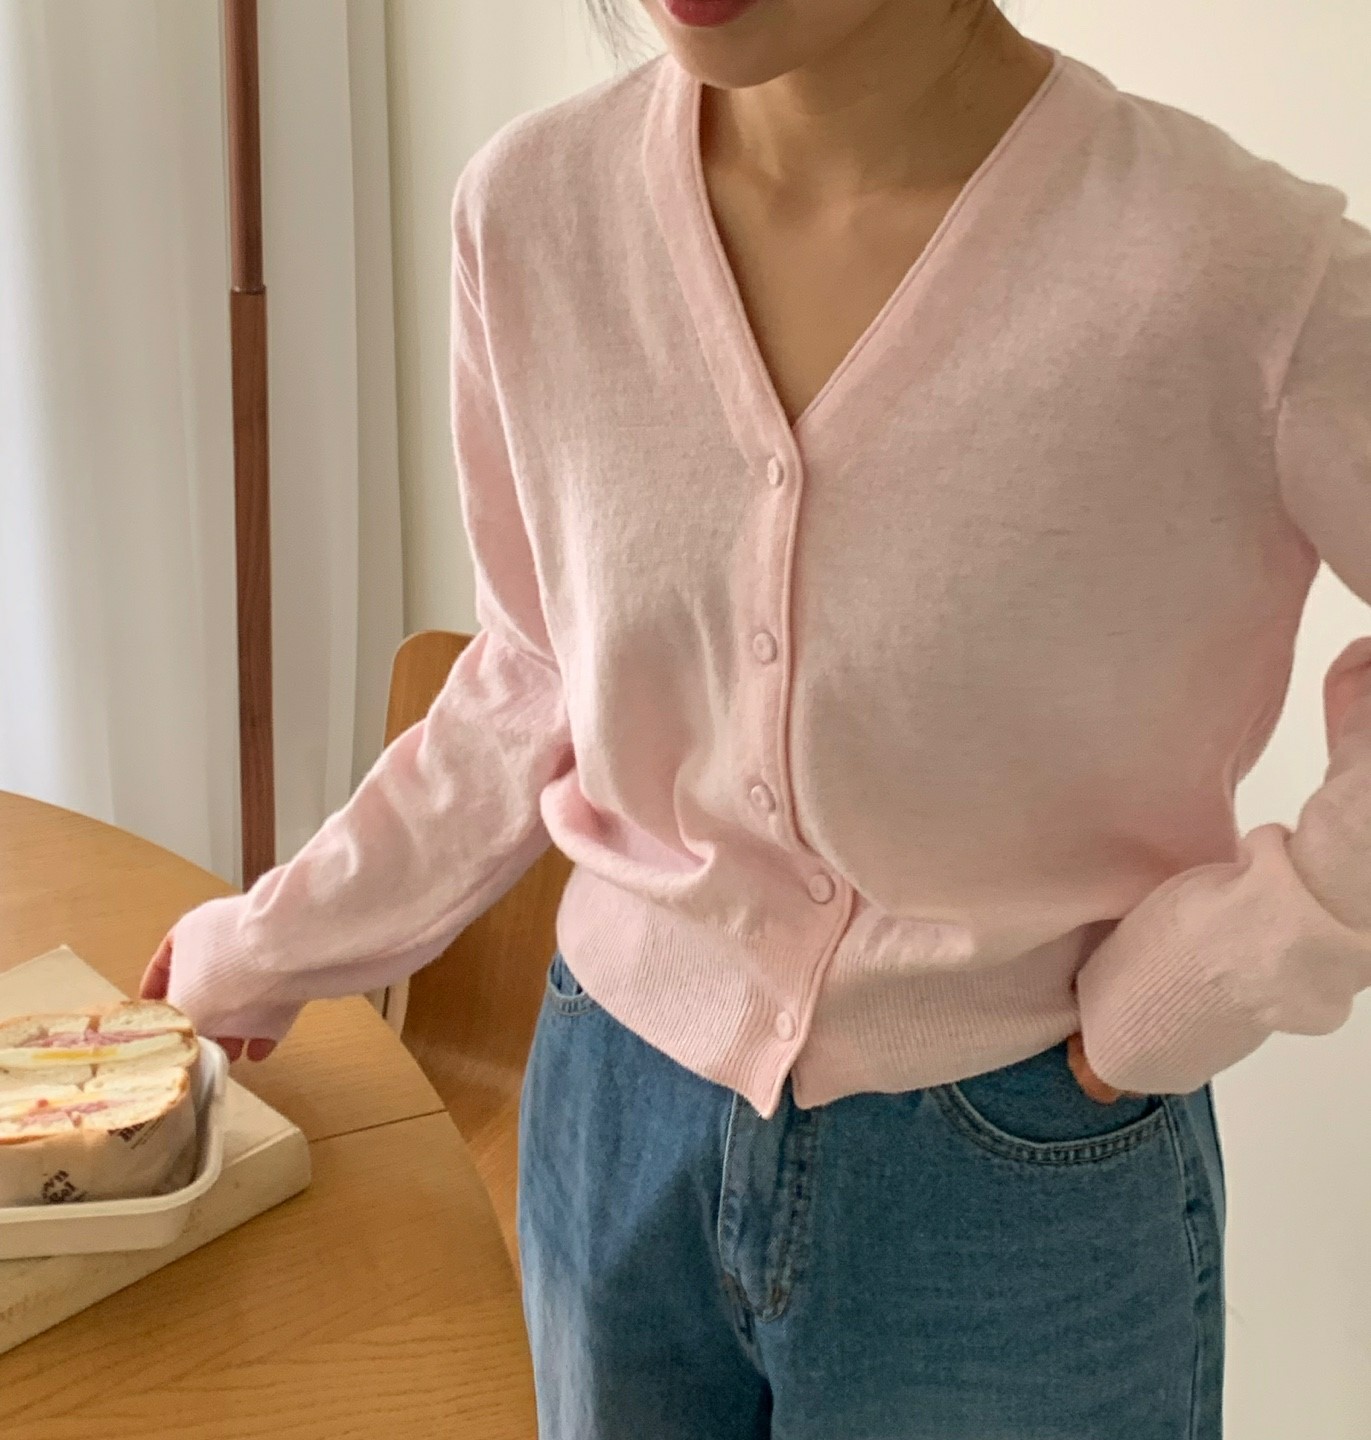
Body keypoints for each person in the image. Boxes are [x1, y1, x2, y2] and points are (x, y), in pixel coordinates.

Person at [144, 0, 1371, 1435]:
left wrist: (1237, 961)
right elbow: (537, 664)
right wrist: (277, 939)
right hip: (610, 1115)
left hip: (1024, 1166)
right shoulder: (533, 211)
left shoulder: (1239, 268)